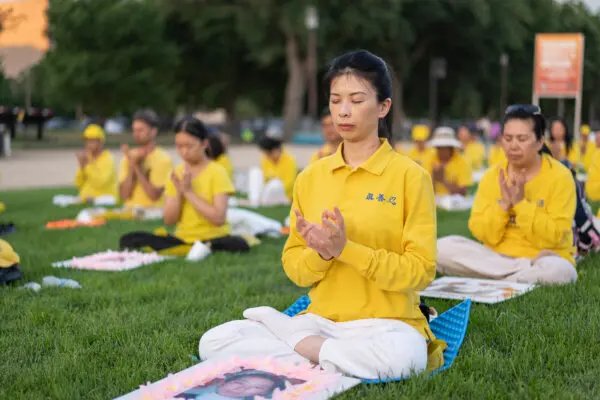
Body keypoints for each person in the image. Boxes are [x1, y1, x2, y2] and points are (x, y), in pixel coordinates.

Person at [198, 50, 445, 380]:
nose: (343, 110)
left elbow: (421, 271)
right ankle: (322, 352)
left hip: (387, 324)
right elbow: (296, 270)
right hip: (322, 320)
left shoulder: (410, 177)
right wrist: (323, 254)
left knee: (405, 359)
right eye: (335, 100)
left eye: (357, 100)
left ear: (383, 106)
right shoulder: (311, 177)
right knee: (215, 341)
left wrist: (346, 250)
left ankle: (297, 344)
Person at [437, 105, 578, 285]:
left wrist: (520, 203)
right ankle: (514, 277)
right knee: (439, 248)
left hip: (541, 258)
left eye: (522, 139)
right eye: (508, 138)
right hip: (495, 257)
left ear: (540, 142)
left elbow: (554, 236)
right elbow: (480, 232)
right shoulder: (493, 176)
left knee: (561, 271)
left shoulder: (560, 176)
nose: (513, 146)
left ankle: (493, 276)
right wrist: (504, 205)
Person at [120, 117, 249, 255]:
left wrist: (188, 192)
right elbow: (169, 221)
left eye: (189, 146)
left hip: (214, 237)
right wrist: (178, 192)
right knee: (129, 239)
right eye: (179, 146)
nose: (184, 152)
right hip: (182, 238)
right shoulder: (176, 173)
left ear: (204, 144)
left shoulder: (217, 172)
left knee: (238, 244)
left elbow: (218, 218)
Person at [119, 109, 173, 209]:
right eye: (134, 130)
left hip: (152, 210)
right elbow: (124, 195)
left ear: (153, 132)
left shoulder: (163, 159)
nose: (136, 134)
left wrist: (137, 166)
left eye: (140, 130)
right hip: (129, 209)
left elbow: (154, 196)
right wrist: (132, 166)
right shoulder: (128, 156)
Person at [74, 124, 118, 202]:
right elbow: (78, 184)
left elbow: (100, 183)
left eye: (92, 140)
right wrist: (82, 166)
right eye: (86, 140)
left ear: (101, 142)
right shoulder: (88, 158)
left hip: (105, 197)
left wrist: (87, 165)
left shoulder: (108, 159)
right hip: (87, 197)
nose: (88, 144)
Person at [424, 127, 473, 196]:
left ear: (451, 148)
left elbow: (464, 192)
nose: (440, 151)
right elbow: (425, 190)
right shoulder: (430, 159)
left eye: (444, 147)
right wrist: (433, 179)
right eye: (438, 147)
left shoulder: (462, 161)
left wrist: (443, 181)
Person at [258, 135, 298, 202]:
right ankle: (256, 200)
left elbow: (290, 184)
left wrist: (274, 187)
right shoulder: (265, 160)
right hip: (269, 192)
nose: (267, 156)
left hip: (285, 195)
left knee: (275, 183)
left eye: (268, 154)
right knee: (255, 172)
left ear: (275, 150)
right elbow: (264, 179)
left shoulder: (289, 161)